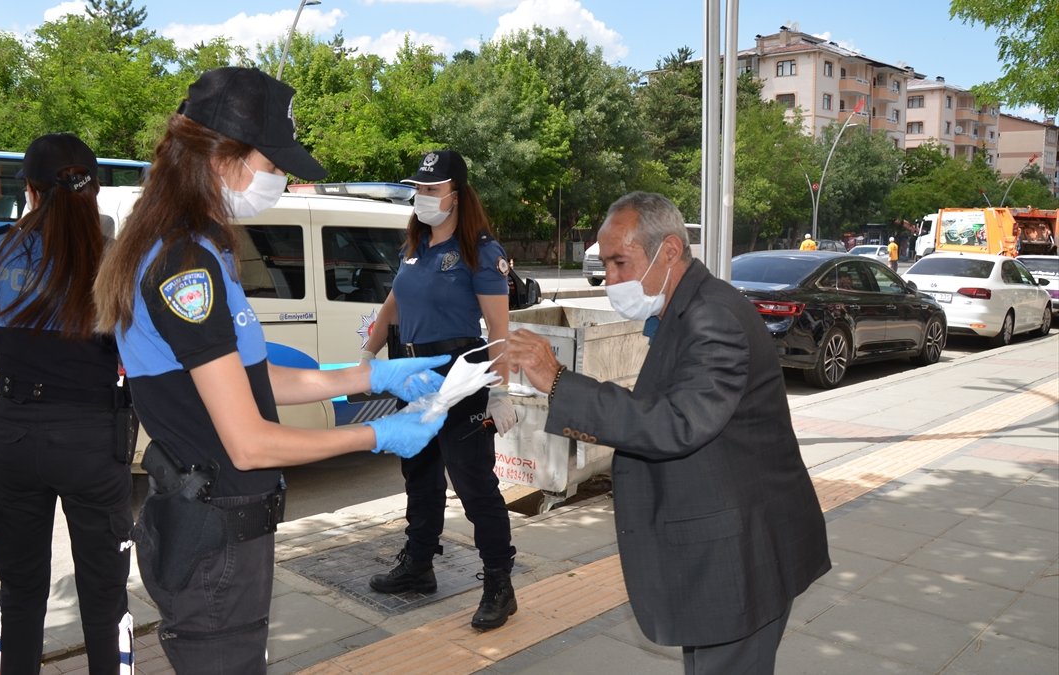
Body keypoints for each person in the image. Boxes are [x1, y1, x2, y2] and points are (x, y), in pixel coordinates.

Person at [92, 67, 446, 673]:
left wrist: (369, 379)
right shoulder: (187, 267)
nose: (279, 179)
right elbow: (251, 443)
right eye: (273, 162)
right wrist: (380, 435)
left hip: (221, 528)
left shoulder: (197, 249)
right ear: (220, 158)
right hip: (214, 538)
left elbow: (255, 382)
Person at [505, 192, 830, 675]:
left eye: (620, 263)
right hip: (721, 540)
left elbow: (675, 423)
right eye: (606, 264)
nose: (611, 280)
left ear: (670, 251)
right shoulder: (686, 306)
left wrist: (558, 381)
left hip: (740, 552)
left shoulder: (712, 316)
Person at [0, 133, 135, 674]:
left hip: (11, 435)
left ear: (30, 190)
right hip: (91, 439)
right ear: (92, 188)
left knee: (21, 590)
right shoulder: (117, 261)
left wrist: (18, 359)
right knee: (105, 598)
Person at [361, 149, 520, 631]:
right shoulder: (417, 246)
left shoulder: (481, 252)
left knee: (474, 485)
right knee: (420, 474)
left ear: (456, 194)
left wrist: (500, 391)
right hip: (415, 373)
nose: (422, 197)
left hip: (464, 375)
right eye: (419, 189)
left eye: (432, 189)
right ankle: (419, 565)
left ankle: (499, 584)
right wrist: (368, 354)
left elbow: (498, 329)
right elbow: (393, 303)